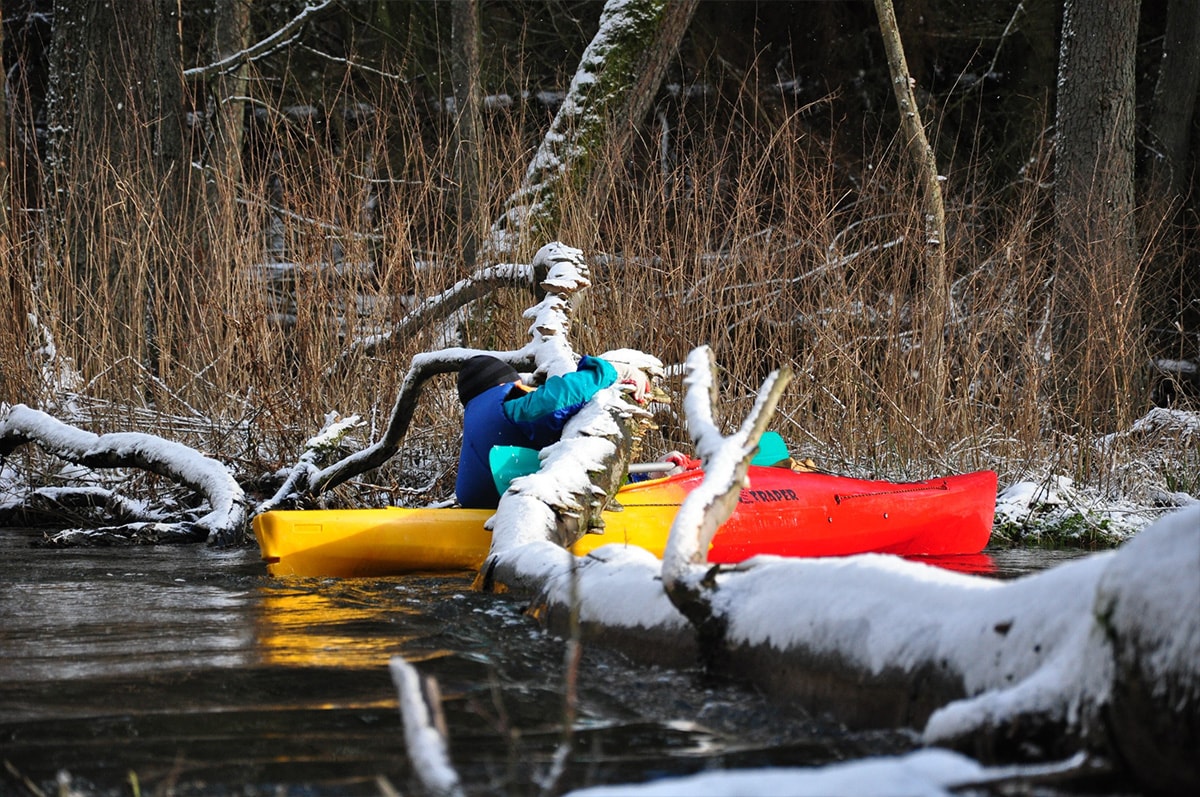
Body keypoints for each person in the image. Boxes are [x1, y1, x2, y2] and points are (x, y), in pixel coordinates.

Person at [454, 353, 651, 508]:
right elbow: (559, 398)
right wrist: (614, 371)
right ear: (503, 385)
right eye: (519, 386)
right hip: (539, 508)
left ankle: (648, 475)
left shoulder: (480, 418)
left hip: (491, 508)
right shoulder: (511, 408)